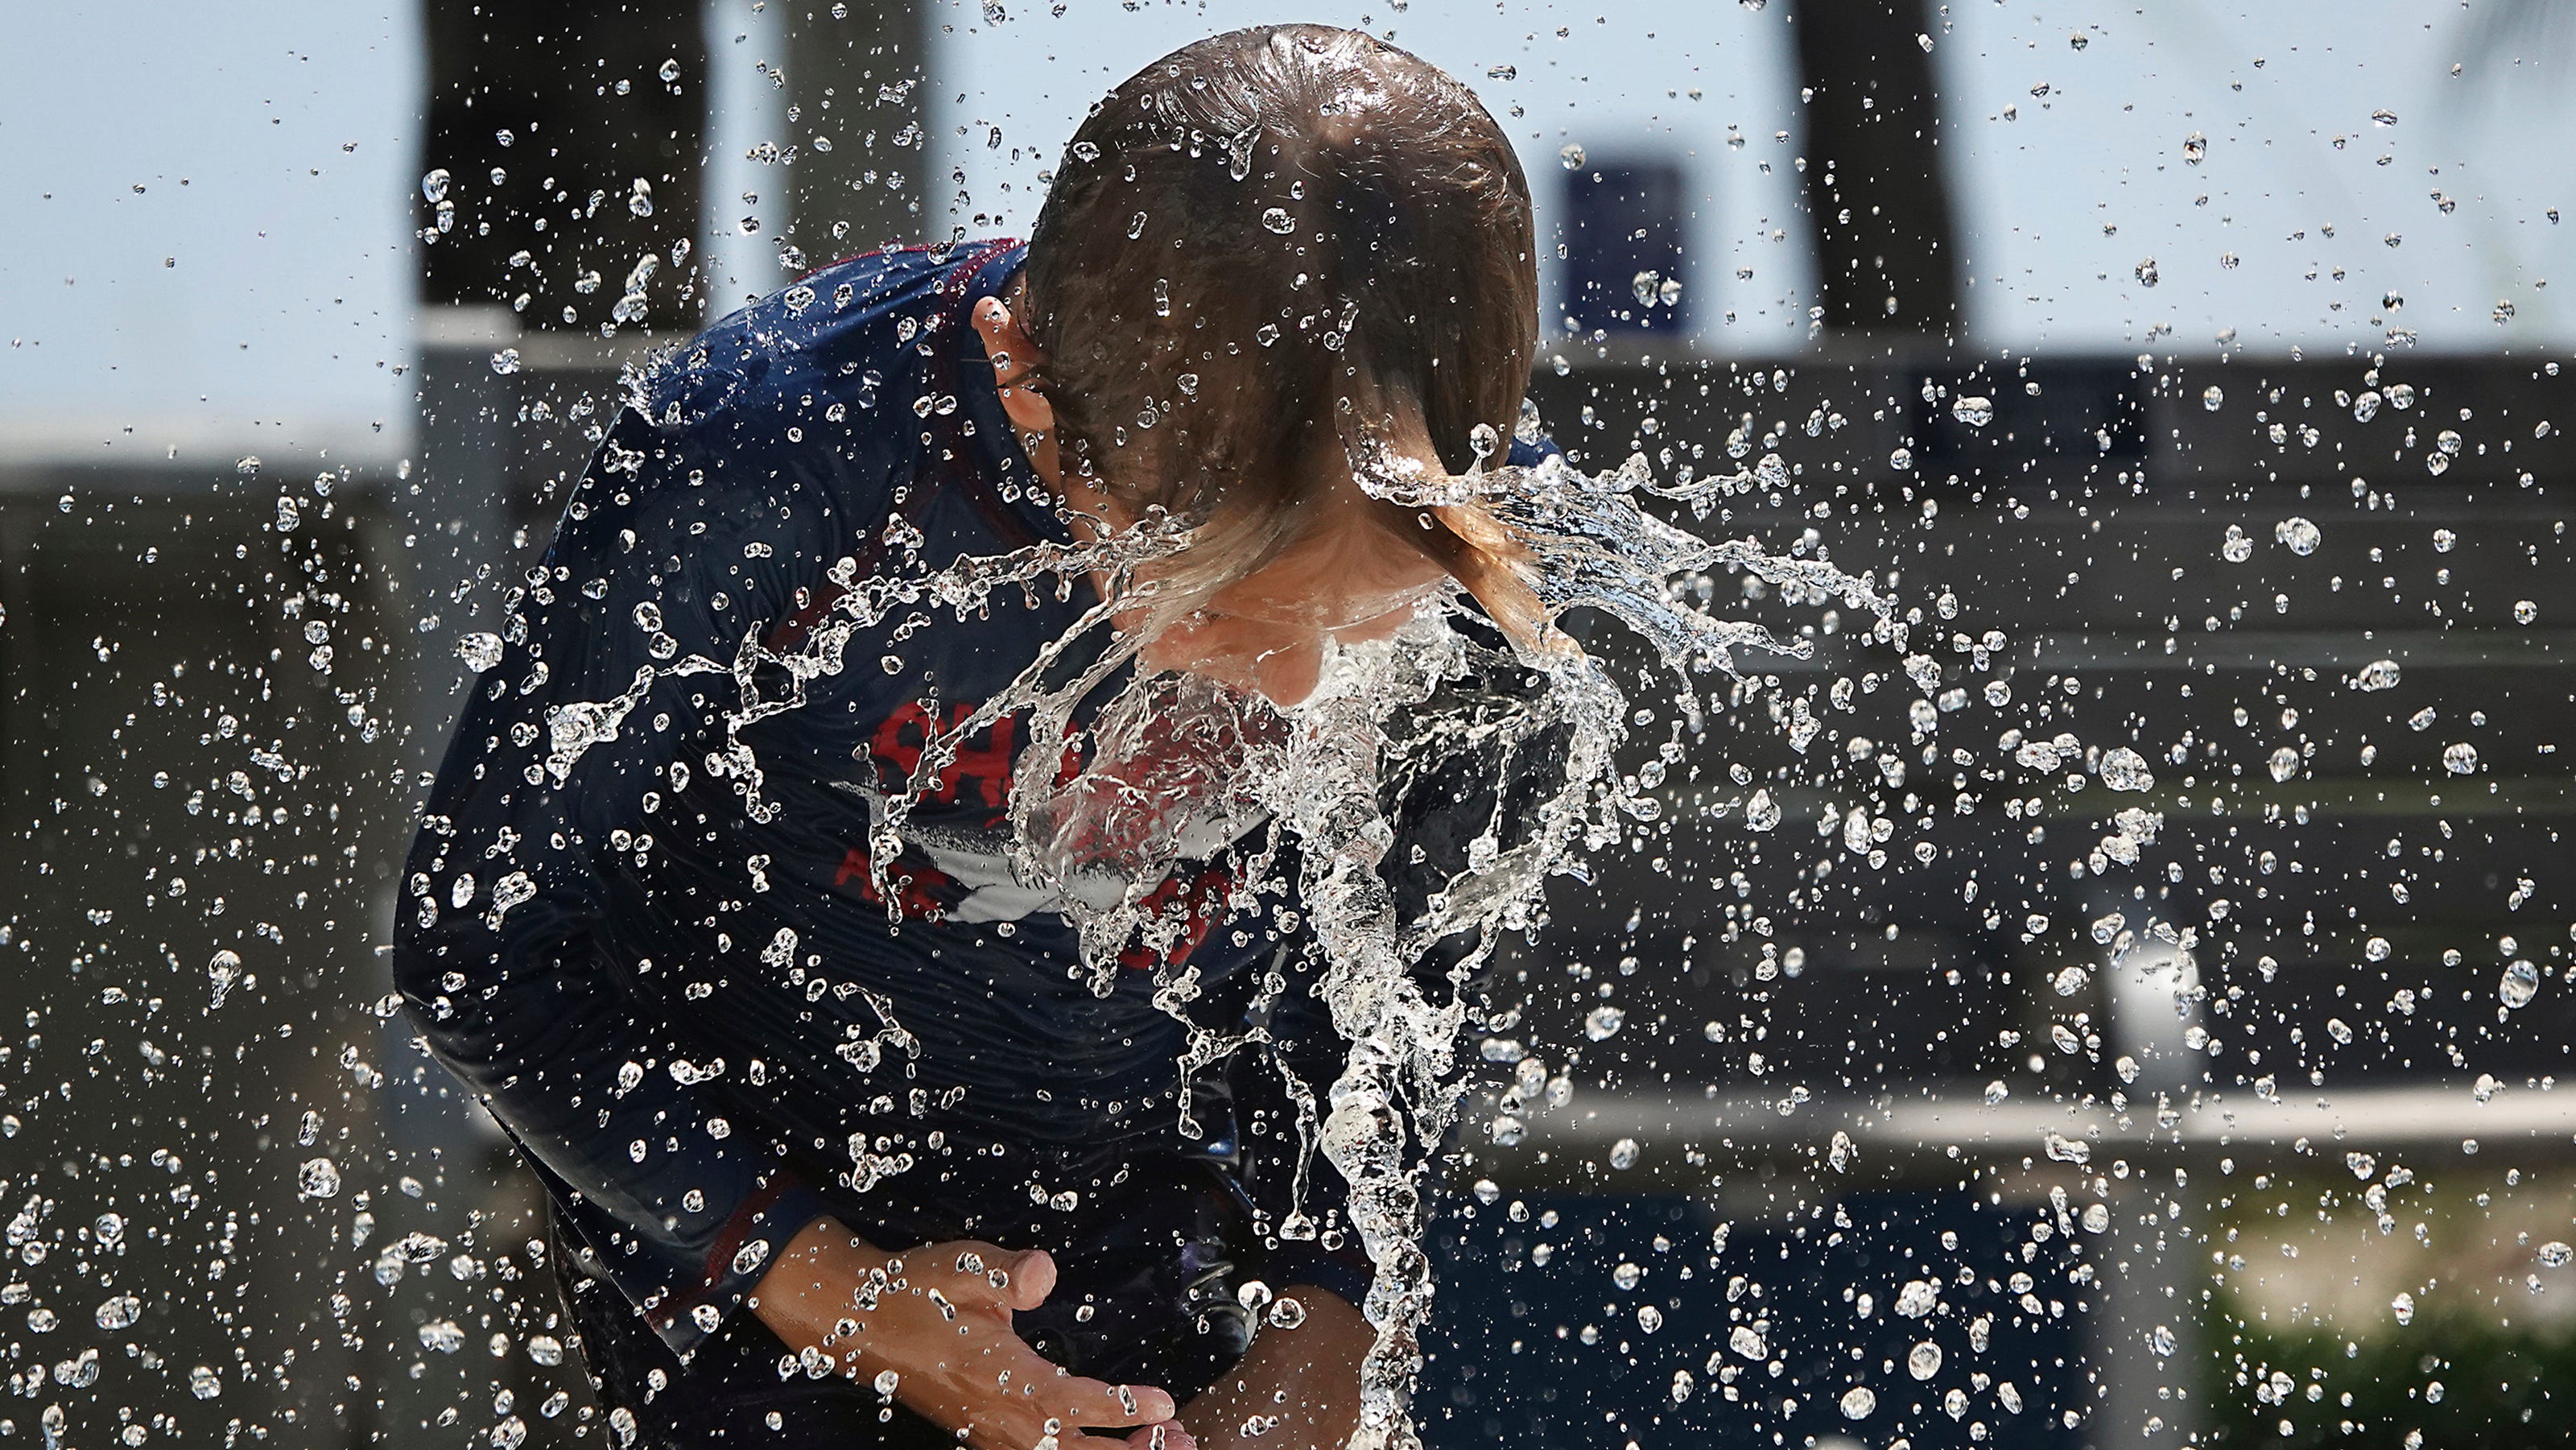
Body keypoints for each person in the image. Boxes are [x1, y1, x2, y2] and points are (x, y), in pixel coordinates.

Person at [394, 24, 1551, 1449]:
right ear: (1023, 384)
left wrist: (1325, 1319)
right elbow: (481, 944)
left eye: (1360, 614)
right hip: (749, 1246)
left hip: (1164, 1243)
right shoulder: (788, 455)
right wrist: (835, 1289)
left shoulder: (1477, 545)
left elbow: (1392, 981)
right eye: (1223, 604)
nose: (1301, 687)